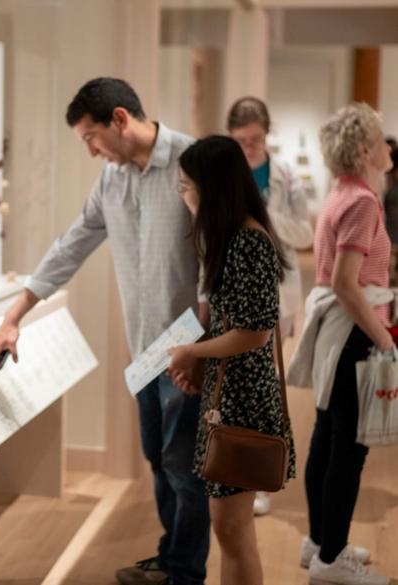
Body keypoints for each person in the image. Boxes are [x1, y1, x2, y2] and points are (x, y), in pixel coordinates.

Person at [0, 77, 210, 585]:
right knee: (158, 459)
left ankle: (185, 573)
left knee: (186, 469)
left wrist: (202, 349)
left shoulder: (193, 161)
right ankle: (172, 558)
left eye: (91, 137)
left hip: (189, 351)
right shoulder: (112, 180)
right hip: (143, 350)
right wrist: (13, 317)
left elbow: (214, 263)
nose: (90, 151)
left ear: (119, 119)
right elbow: (72, 244)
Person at [167, 135, 295, 585]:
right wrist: (202, 365)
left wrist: (193, 351)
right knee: (231, 529)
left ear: (212, 187)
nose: (184, 196)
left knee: (232, 529)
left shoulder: (247, 242)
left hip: (244, 397)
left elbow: (254, 332)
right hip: (231, 391)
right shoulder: (233, 238)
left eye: (186, 186)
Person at [288, 103, 395, 585]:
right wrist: (384, 339)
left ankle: (320, 542)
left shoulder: (341, 193)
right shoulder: (363, 202)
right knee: (348, 449)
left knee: (328, 436)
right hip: (354, 332)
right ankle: (331, 561)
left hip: (340, 330)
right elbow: (347, 284)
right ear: (365, 150)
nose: (388, 144)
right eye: (380, 136)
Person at [226, 97, 314, 517]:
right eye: (241, 140)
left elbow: (305, 233)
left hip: (276, 292)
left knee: (265, 384)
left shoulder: (286, 176)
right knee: (235, 384)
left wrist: (266, 215)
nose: (249, 148)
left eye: (256, 139)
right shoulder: (223, 172)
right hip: (233, 290)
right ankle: (231, 469)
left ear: (267, 133)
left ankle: (260, 478)